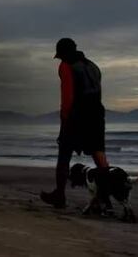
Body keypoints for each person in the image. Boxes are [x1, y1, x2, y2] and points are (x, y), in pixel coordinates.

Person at [40, 37, 110, 210]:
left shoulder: (66, 66)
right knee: (99, 155)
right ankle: (106, 198)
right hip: (97, 114)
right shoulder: (93, 66)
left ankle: (60, 196)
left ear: (63, 53)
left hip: (77, 115)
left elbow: (68, 97)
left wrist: (64, 121)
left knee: (64, 153)